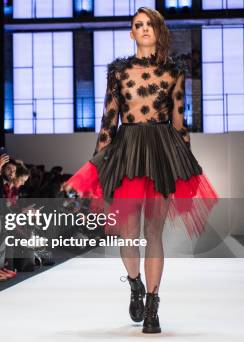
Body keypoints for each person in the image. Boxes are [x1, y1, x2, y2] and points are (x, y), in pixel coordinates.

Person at [63, 7, 218, 334]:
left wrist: (185, 163)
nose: (144, 29)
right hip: (128, 151)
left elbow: (178, 119)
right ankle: (134, 283)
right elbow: (108, 120)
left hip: (162, 151)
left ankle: (152, 304)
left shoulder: (174, 70)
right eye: (138, 25)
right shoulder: (118, 71)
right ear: (132, 32)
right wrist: (96, 166)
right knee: (128, 232)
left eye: (149, 24)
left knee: (154, 233)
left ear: (158, 31)